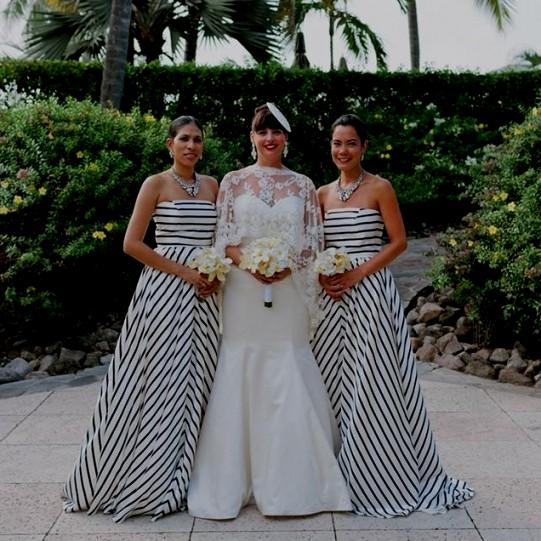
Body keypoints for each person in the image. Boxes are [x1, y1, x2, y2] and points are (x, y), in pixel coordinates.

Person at [187, 103, 352, 519]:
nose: (269, 139)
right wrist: (250, 263)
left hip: (290, 289)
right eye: (262, 132)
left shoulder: (303, 185)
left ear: (287, 139)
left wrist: (286, 267)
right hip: (244, 290)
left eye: (276, 132)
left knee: (289, 364)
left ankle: (297, 481)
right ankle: (234, 478)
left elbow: (313, 241)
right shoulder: (233, 181)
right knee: (241, 364)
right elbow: (222, 237)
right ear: (252, 137)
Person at [311, 113, 474, 517]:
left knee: (376, 378)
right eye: (336, 143)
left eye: (350, 143)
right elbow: (312, 244)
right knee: (333, 377)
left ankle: (382, 470)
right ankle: (338, 470)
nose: (342, 150)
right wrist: (327, 275)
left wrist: (356, 274)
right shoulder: (321, 194)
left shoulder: (381, 187)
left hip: (370, 294)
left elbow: (398, 242)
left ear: (364, 147)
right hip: (333, 300)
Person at [62, 115, 220, 522]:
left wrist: (213, 272)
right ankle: (144, 471)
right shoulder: (155, 184)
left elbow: (220, 237)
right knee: (159, 378)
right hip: (165, 292)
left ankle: (186, 472)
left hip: (206, 296)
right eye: (183, 139)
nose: (191, 145)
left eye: (197, 139)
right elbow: (131, 244)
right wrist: (185, 272)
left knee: (197, 379)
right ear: (169, 144)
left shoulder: (212, 186)